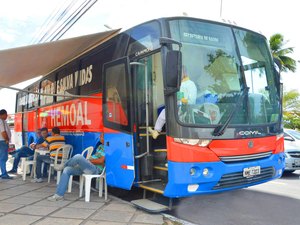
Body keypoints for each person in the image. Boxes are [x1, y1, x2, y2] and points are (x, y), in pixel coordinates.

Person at [47, 133, 105, 201]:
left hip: (95, 169)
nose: (100, 137)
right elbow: (95, 157)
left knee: (78, 157)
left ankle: (63, 165)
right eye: (100, 136)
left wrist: (88, 160)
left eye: (102, 136)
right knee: (67, 170)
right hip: (88, 167)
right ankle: (59, 195)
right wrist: (87, 161)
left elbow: (101, 161)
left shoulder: (108, 148)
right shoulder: (100, 146)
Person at [148, 66, 197, 139]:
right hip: (178, 107)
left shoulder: (191, 84)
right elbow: (179, 96)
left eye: (179, 72)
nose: (178, 75)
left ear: (184, 72)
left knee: (165, 112)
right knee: (164, 112)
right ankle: (156, 131)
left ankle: (156, 130)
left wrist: (182, 99)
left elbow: (192, 100)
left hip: (186, 109)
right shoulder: (180, 84)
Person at [0, 109, 12, 179]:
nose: (6, 116)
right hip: (2, 141)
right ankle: (4, 174)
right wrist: (7, 139)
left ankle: (3, 172)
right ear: (2, 114)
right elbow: (3, 132)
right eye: (6, 114)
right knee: (3, 158)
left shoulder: (3, 121)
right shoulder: (1, 121)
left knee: (2, 158)